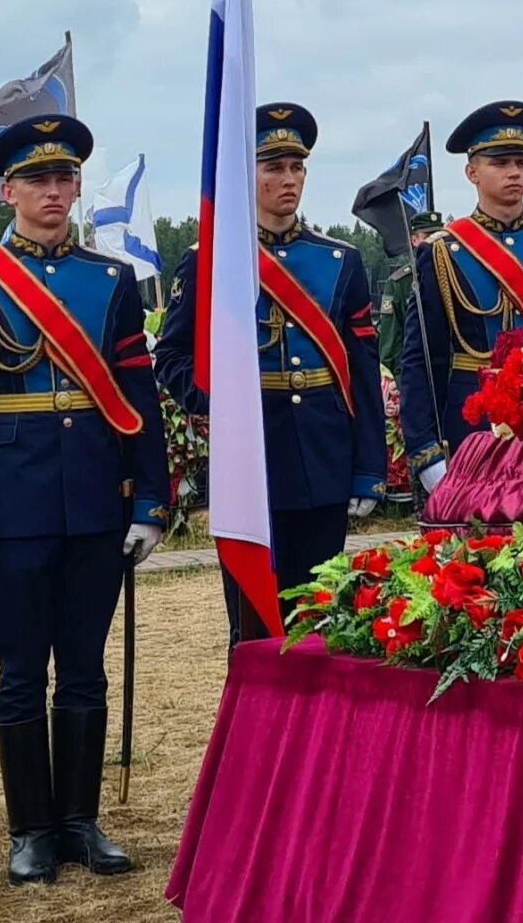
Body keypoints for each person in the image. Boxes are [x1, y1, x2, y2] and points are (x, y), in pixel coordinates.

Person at [0, 113, 168, 887]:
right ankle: (30, 827)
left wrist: (151, 499)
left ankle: (81, 821)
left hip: (96, 494)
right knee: (23, 669)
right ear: (9, 191)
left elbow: (137, 394)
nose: (53, 192)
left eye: (64, 179)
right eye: (37, 181)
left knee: (86, 667)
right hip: (14, 501)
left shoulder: (110, 281)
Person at [154, 104, 388, 644]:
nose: (288, 180)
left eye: (296, 168)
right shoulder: (211, 259)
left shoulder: (339, 261)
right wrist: (222, 405)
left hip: (324, 457)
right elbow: (171, 357)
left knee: (322, 622)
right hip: (250, 463)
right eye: (273, 168)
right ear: (247, 174)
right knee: (256, 625)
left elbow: (363, 371)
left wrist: (368, 467)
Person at [397, 101, 523, 497]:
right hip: (469, 431)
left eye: (521, 161)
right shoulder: (441, 251)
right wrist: (426, 452)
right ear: (472, 172)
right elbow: (422, 360)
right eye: (500, 162)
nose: (514, 172)